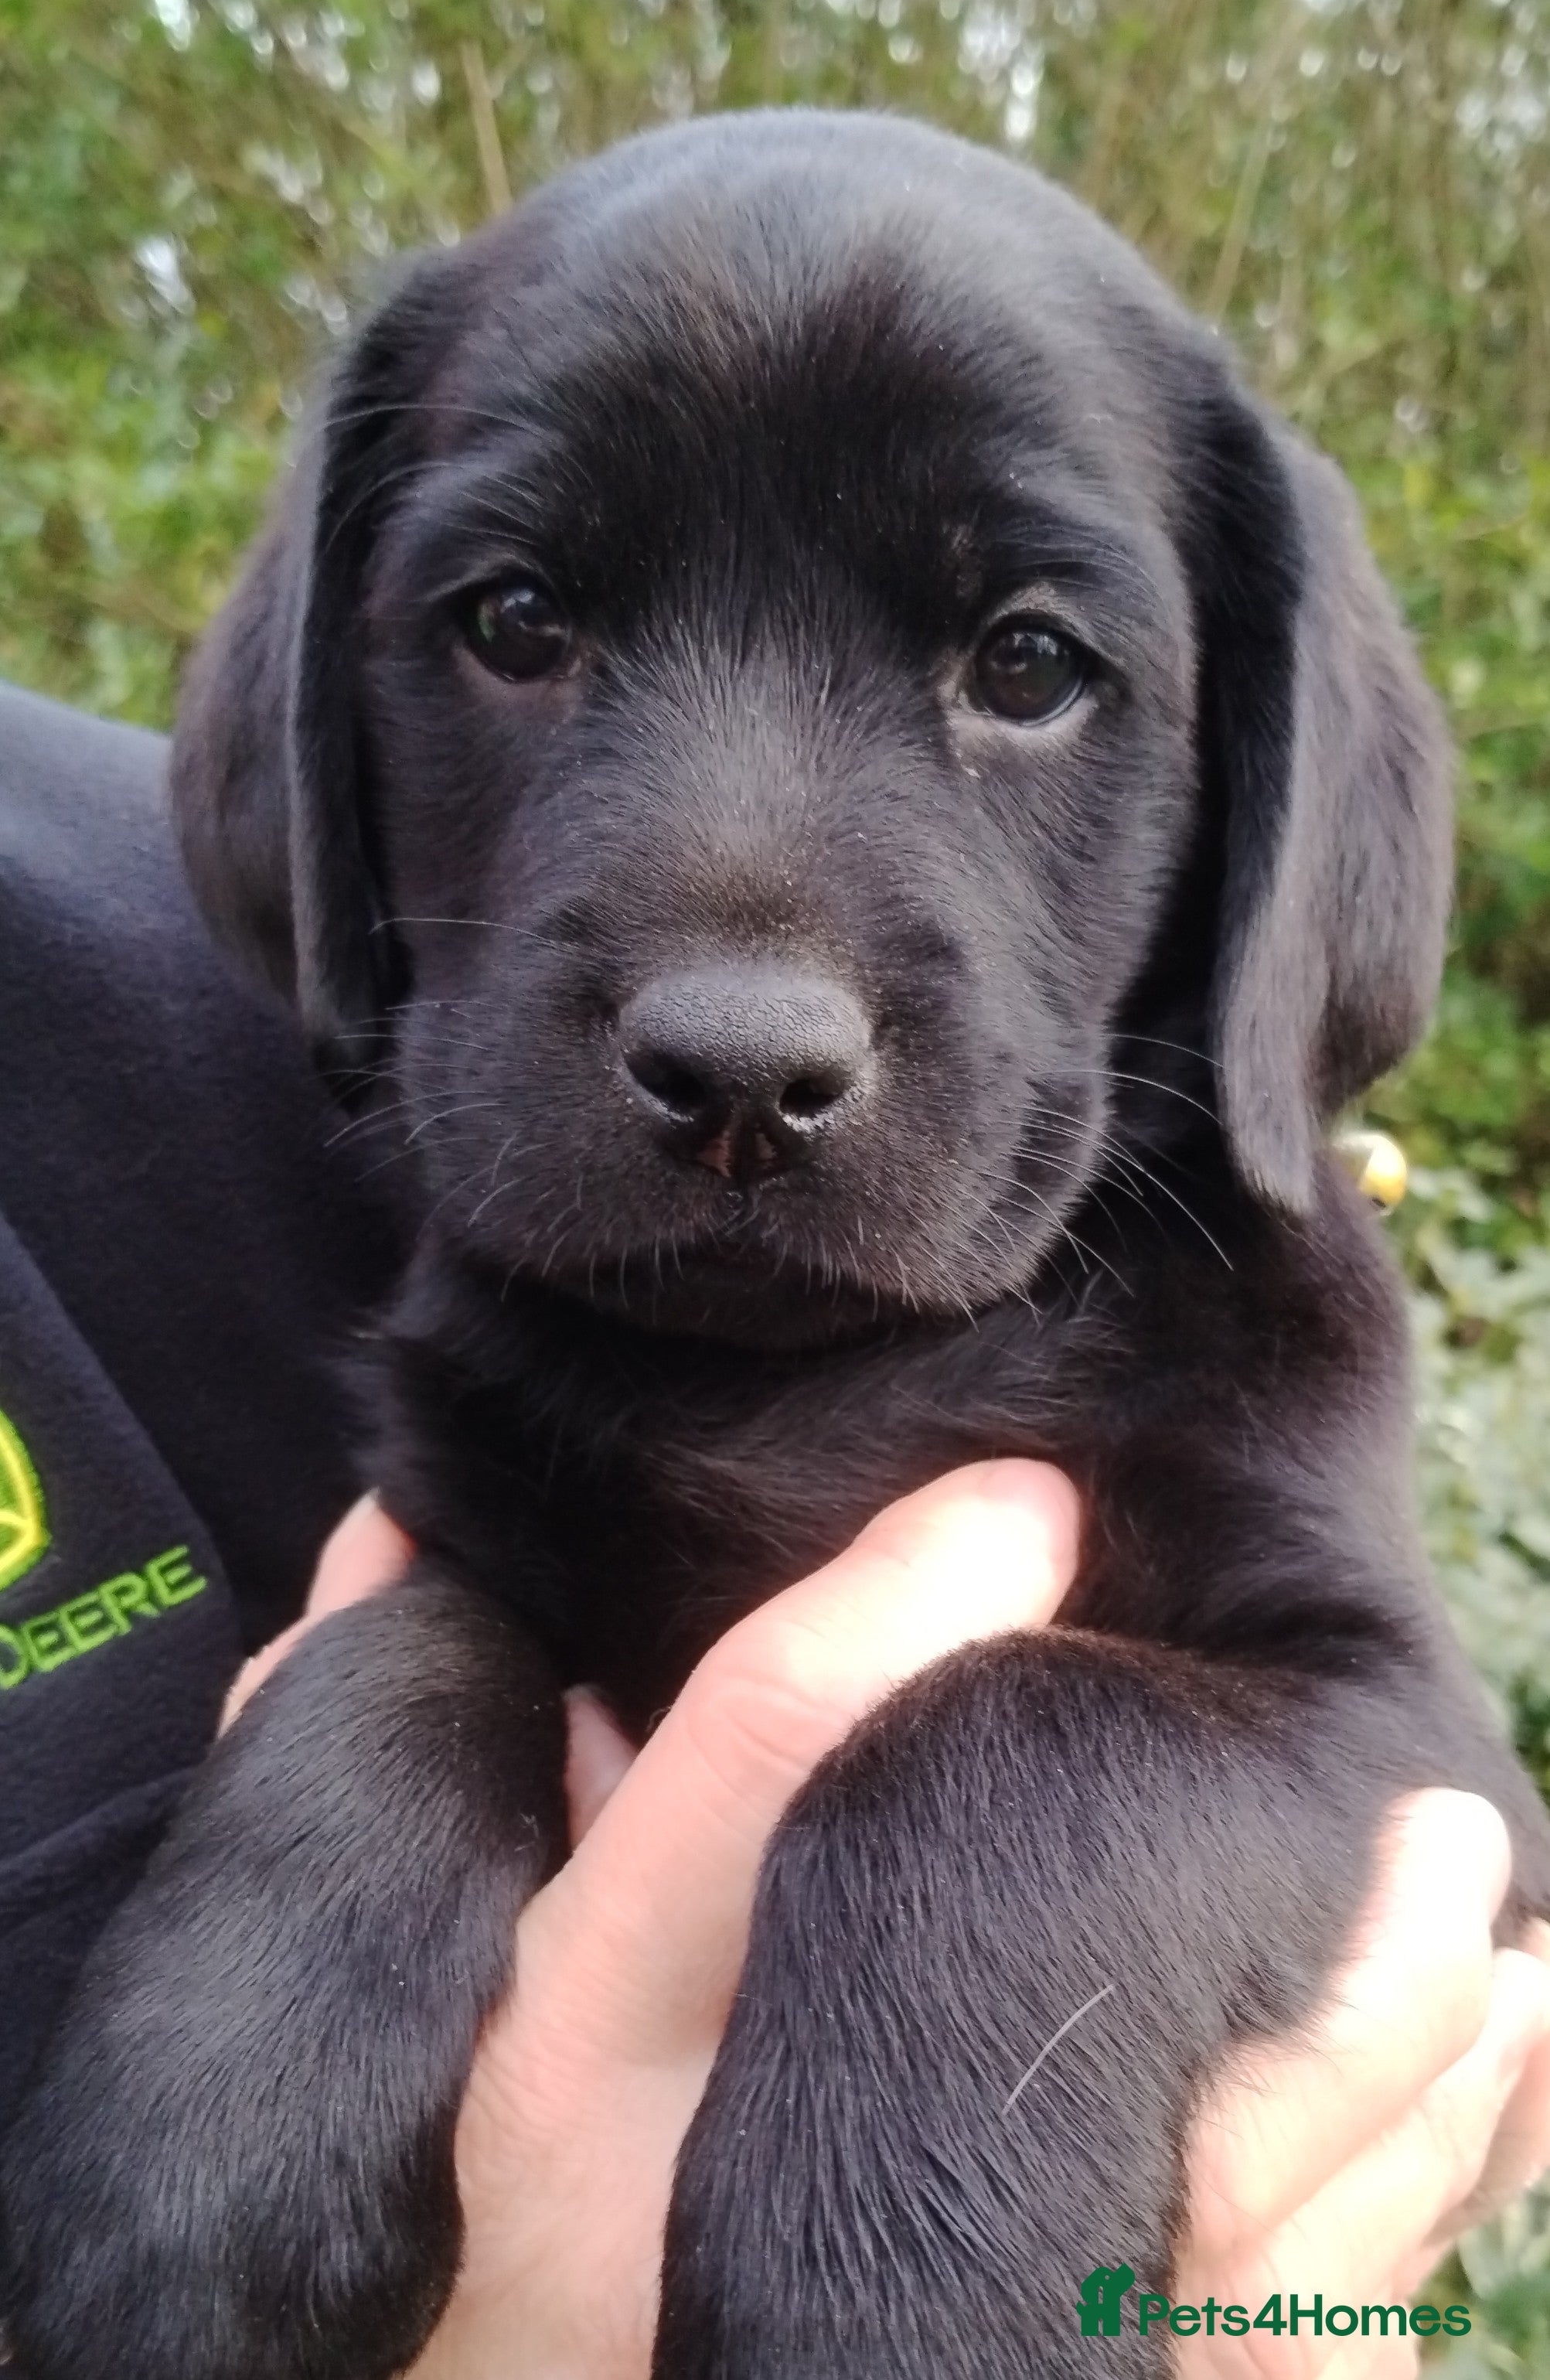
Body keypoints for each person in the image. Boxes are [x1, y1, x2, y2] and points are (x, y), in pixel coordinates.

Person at [3, 677, 1548, 2374]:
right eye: (521, 625)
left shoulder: (1233, 1322)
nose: (743, 1015)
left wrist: (991, 1904)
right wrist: (384, 1748)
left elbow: (1436, 1833)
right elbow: (495, 1604)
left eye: (1025, 666)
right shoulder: (393, 1117)